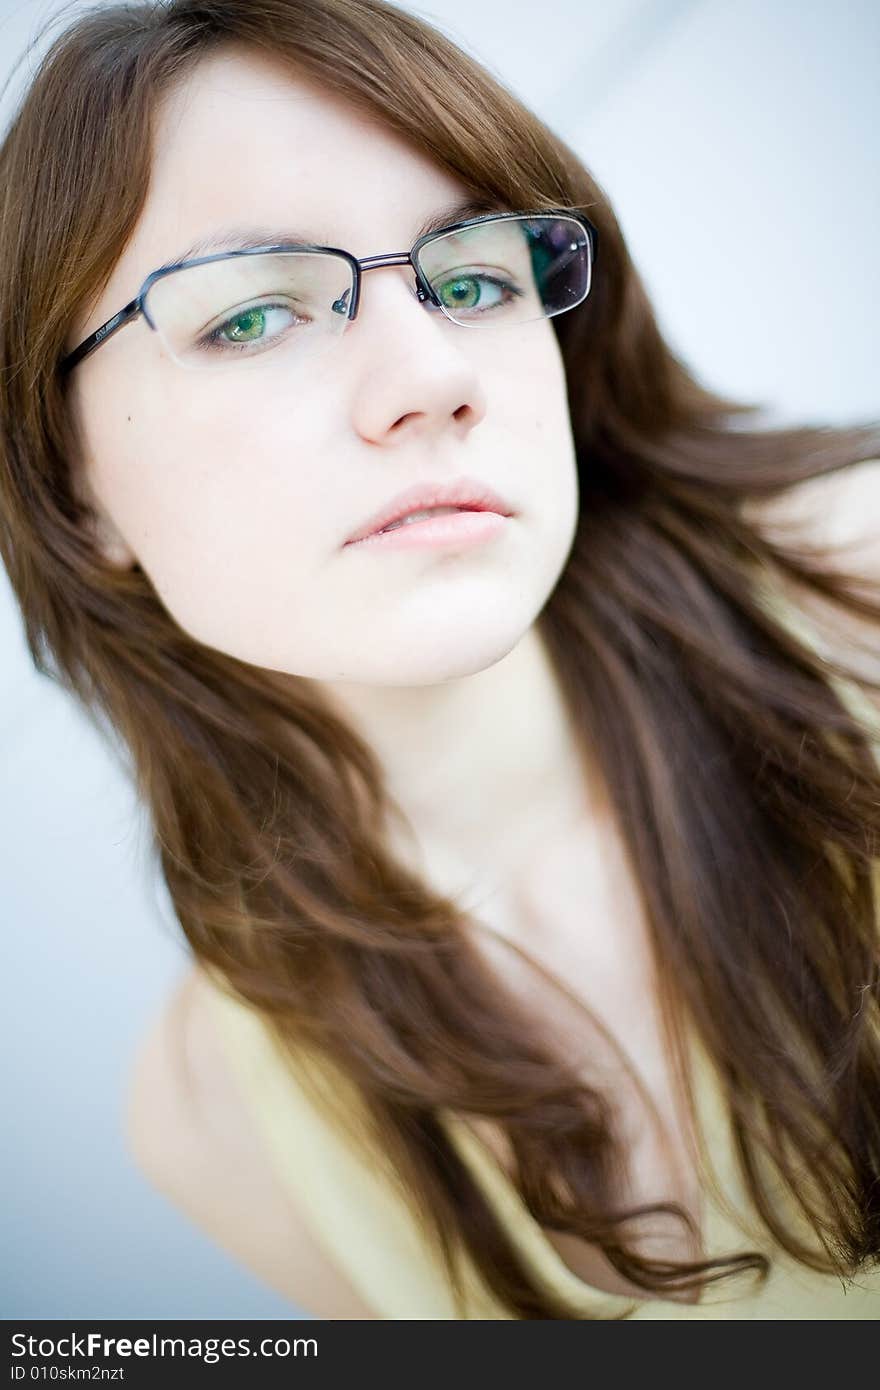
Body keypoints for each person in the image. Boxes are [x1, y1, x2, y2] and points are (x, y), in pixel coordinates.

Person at [1, 0, 879, 1321]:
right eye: (252, 317)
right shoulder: (209, 1120)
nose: (430, 372)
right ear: (74, 490)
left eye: (473, 280)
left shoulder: (861, 586)